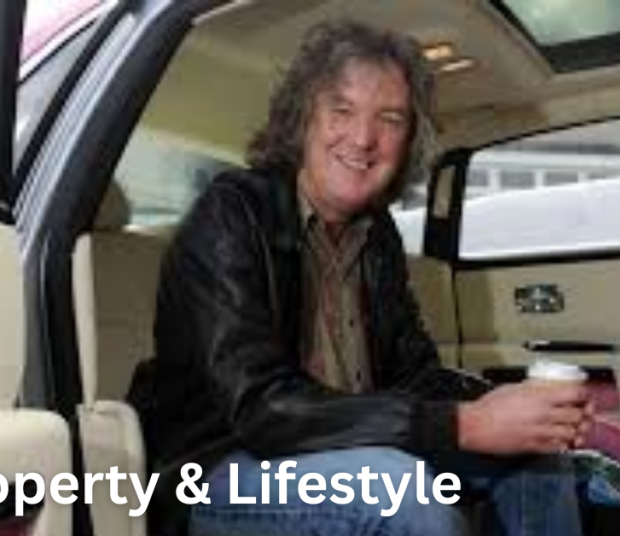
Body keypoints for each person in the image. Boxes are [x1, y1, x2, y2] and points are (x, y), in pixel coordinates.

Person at [142, 19, 592, 536]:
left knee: (534, 459)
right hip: (219, 464)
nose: (362, 138)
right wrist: (463, 424)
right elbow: (259, 409)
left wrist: (512, 410)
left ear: (408, 139)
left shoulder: (376, 233)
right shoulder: (232, 214)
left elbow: (414, 375)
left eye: (390, 119)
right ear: (302, 119)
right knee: (403, 496)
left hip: (349, 449)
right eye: (342, 110)